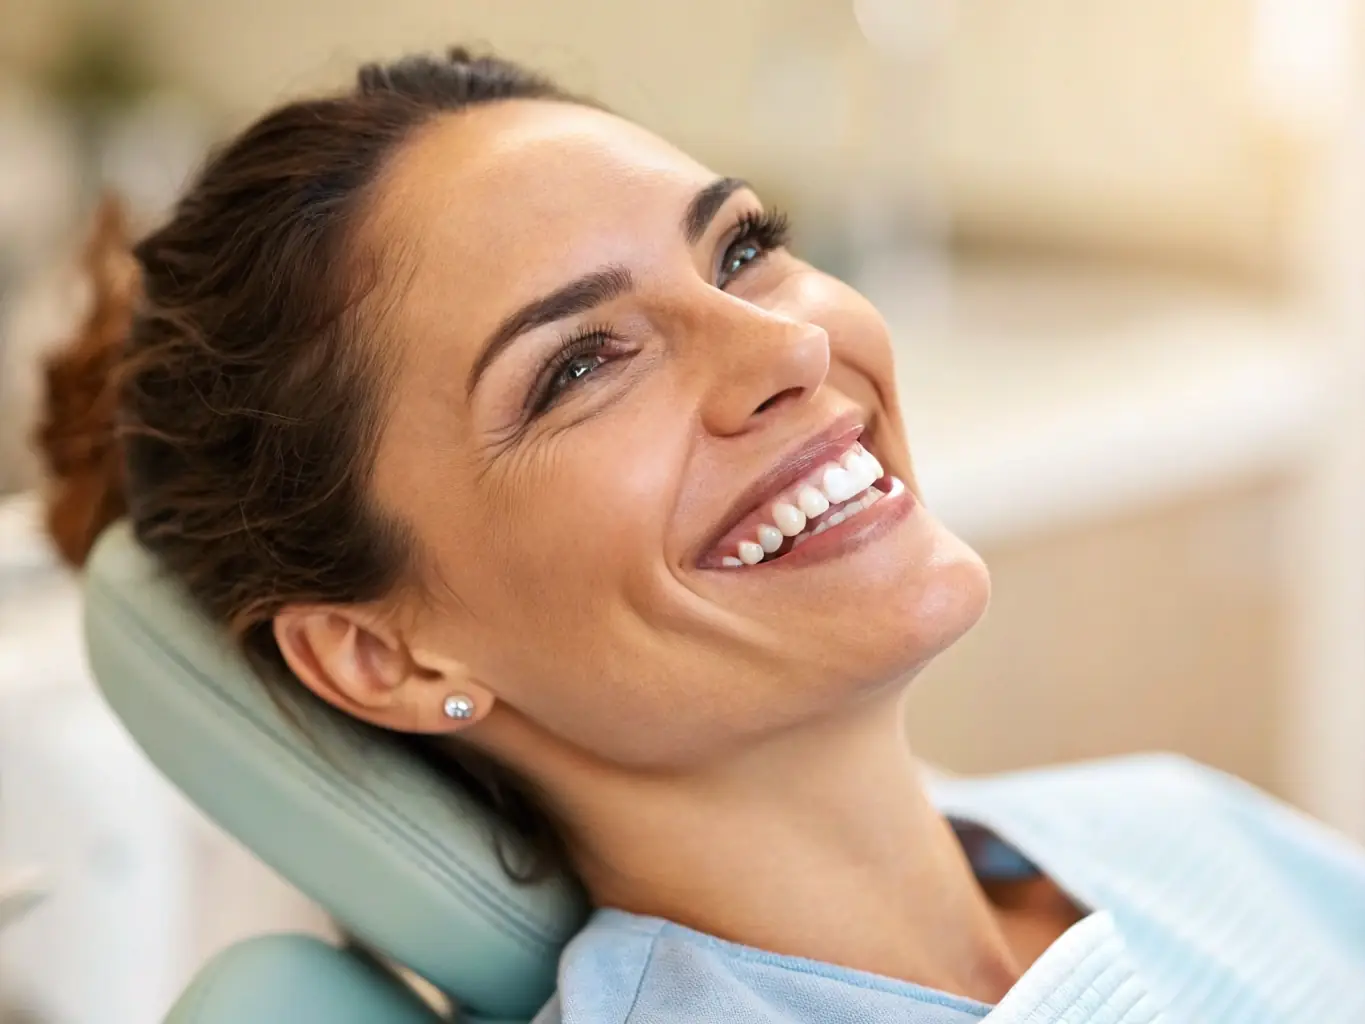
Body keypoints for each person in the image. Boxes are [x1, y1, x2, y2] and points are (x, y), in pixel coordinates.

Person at [34, 48, 1365, 1024]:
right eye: (579, 366)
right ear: (377, 653)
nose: (786, 344)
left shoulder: (1178, 829)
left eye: (740, 250)